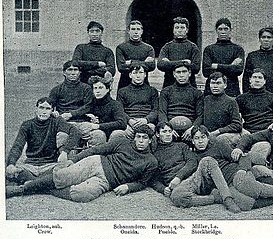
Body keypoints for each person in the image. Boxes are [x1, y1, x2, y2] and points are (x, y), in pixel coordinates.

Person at [170, 126, 273, 212]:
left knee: (248, 187)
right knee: (245, 204)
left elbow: (244, 157)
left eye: (203, 137)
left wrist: (242, 170)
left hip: (236, 174)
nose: (200, 141)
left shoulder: (218, 145)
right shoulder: (194, 156)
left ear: (208, 138)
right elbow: (189, 171)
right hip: (224, 186)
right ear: (192, 141)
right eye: (196, 138)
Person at [6, 125, 158, 203]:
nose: (141, 140)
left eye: (145, 138)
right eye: (138, 137)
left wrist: (128, 187)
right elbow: (96, 149)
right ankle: (21, 189)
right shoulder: (122, 142)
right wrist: (73, 160)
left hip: (107, 181)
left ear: (150, 140)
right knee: (62, 176)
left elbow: (143, 182)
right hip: (96, 163)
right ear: (135, 137)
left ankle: (38, 186)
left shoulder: (151, 161)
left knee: (81, 195)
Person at [5, 97, 82, 185]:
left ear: (52, 111)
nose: (44, 111)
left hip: (50, 165)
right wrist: (11, 164)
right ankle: (41, 183)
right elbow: (17, 146)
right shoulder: (27, 125)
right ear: (36, 109)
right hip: (30, 165)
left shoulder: (56, 122)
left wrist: (65, 152)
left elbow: (75, 132)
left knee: (66, 170)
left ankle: (32, 183)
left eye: (47, 109)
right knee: (11, 171)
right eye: (41, 108)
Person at [242, 26, 273, 107]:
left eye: (269, 37)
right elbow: (246, 79)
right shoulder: (252, 56)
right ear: (259, 39)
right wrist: (246, 99)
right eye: (263, 37)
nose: (266, 40)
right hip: (255, 98)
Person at [159, 62, 203, 143]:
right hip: (170, 129)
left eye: (184, 72)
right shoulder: (166, 91)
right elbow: (162, 112)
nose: (181, 75)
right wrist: (168, 129)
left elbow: (200, 115)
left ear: (189, 73)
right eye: (178, 72)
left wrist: (193, 128)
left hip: (190, 130)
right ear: (174, 74)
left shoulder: (197, 93)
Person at [149, 122, 197, 197]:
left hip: (193, 178)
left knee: (207, 162)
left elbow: (192, 162)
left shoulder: (182, 146)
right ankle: (213, 198)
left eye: (170, 131)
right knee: (177, 197)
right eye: (164, 132)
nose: (168, 134)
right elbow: (154, 180)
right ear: (157, 134)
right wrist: (163, 189)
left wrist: (179, 177)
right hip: (177, 186)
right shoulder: (155, 155)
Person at [76, 74, 127, 145]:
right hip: (97, 135)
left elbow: (122, 123)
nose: (97, 91)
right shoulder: (92, 103)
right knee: (97, 135)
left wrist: (98, 125)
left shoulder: (115, 104)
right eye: (95, 88)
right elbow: (80, 112)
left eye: (100, 88)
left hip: (112, 133)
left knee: (117, 134)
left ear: (107, 89)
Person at [202, 18, 245, 97]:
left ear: (230, 30)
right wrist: (230, 66)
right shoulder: (209, 49)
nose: (223, 32)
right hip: (211, 92)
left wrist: (216, 66)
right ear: (216, 30)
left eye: (226, 29)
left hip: (231, 91)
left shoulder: (238, 49)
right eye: (220, 29)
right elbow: (206, 72)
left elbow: (238, 70)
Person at [116, 62, 159, 138]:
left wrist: (146, 119)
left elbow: (155, 110)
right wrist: (128, 121)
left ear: (145, 75)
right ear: (130, 75)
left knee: (151, 129)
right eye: (135, 73)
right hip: (129, 122)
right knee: (117, 134)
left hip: (146, 122)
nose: (138, 76)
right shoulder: (122, 91)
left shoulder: (152, 91)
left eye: (141, 72)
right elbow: (119, 111)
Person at [157, 17, 201, 88]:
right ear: (173, 30)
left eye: (182, 28)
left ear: (187, 30)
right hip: (169, 86)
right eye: (177, 27)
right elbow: (160, 65)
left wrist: (169, 63)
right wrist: (184, 62)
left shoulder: (193, 47)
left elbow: (196, 68)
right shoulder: (167, 47)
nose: (179, 30)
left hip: (189, 87)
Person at [236, 68, 273, 133]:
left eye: (260, 78)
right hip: (248, 132)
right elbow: (235, 117)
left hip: (268, 131)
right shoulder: (241, 98)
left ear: (264, 81)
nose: (257, 80)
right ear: (250, 80)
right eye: (254, 77)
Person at [203, 72, 242, 148]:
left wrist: (219, 131)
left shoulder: (231, 102)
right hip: (208, 134)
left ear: (225, 85)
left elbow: (237, 125)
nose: (215, 86)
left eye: (218, 83)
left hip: (223, 135)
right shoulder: (206, 100)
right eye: (212, 83)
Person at [116, 20, 155, 90]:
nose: (136, 32)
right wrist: (144, 63)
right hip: (124, 85)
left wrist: (130, 62)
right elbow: (121, 67)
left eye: (138, 29)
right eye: (133, 29)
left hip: (144, 85)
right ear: (128, 31)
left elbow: (152, 66)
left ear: (142, 31)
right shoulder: (121, 47)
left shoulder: (148, 48)